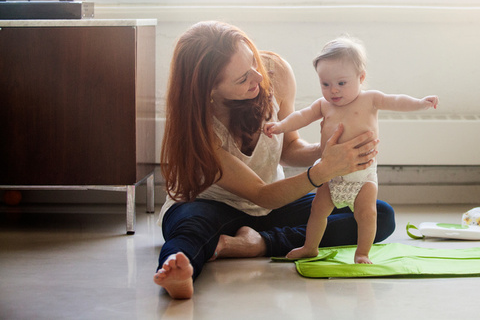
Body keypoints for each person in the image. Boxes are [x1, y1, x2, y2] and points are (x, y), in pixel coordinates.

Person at [153, 22, 396, 299]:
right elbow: (260, 194)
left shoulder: (275, 72)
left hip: (274, 206)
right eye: (243, 78)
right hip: (213, 205)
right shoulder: (199, 128)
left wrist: (329, 149)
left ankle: (258, 243)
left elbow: (289, 148)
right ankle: (177, 273)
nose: (258, 76)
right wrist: (324, 169)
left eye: (253, 61)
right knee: (190, 230)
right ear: (210, 90)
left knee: (379, 215)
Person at [264, 37, 438, 264]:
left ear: (361, 77)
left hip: (362, 175)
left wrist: (420, 103)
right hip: (330, 174)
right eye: (325, 84)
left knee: (367, 214)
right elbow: (300, 117)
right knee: (318, 211)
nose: (333, 90)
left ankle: (362, 253)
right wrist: (279, 126)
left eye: (341, 83)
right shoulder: (323, 105)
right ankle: (310, 247)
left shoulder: (370, 99)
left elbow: (397, 101)